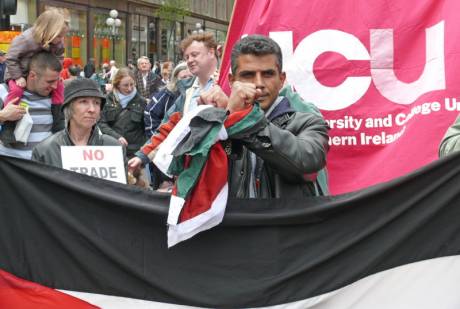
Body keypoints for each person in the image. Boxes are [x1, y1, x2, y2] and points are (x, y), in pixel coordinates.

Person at [130, 35, 330, 198]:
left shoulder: (307, 121)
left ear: (282, 79)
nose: (259, 84)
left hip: (285, 240)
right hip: (229, 239)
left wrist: (244, 118)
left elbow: (306, 162)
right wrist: (212, 122)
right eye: (248, 75)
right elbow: (181, 166)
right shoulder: (221, 120)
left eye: (268, 74)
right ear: (232, 80)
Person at [31, 78, 123, 167]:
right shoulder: (45, 151)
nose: (92, 109)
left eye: (96, 103)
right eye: (83, 102)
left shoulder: (114, 148)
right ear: (69, 107)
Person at [0, 52, 64, 159]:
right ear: (32, 76)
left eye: (57, 81)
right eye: (50, 81)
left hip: (43, 167)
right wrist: (3, 116)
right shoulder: (4, 91)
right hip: (9, 167)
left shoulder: (56, 98)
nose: (54, 86)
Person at [4, 9, 67, 107]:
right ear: (48, 31)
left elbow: (59, 56)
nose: (61, 39)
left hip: (41, 72)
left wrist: (57, 74)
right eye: (59, 36)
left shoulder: (58, 43)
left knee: (59, 87)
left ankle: (57, 111)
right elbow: (11, 58)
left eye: (63, 36)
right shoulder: (26, 39)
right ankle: (10, 114)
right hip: (17, 72)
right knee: (16, 90)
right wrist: (18, 77)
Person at [165, 33, 219, 116]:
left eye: (194, 55)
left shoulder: (226, 83)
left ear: (211, 52)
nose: (189, 60)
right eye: (187, 57)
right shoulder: (187, 88)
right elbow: (167, 124)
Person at [98, 68, 147, 158]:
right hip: (112, 148)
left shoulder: (142, 102)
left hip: (135, 151)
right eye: (125, 85)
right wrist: (116, 137)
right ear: (117, 85)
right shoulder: (107, 100)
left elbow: (147, 128)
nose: (129, 88)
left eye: (132, 84)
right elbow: (101, 123)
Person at [144, 62, 192, 138]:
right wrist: (155, 136)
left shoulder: (198, 93)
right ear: (176, 78)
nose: (188, 80)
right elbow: (150, 112)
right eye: (184, 77)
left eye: (190, 77)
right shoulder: (167, 93)